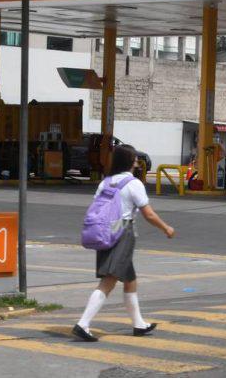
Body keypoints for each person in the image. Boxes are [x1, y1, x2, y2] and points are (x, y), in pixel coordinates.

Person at [73, 145, 176, 342]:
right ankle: (83, 324)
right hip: (122, 234)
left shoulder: (106, 182)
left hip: (106, 232)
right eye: (135, 158)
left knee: (130, 280)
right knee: (109, 280)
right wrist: (166, 228)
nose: (137, 162)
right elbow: (149, 214)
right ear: (130, 161)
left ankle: (139, 324)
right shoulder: (133, 183)